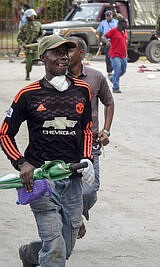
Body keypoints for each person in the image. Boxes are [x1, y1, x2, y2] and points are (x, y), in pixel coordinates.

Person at [0, 34, 94, 266]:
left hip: (72, 180)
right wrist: (22, 163)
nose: (63, 57)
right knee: (54, 248)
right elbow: (4, 133)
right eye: (57, 52)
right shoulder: (28, 94)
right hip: (41, 181)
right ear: (43, 57)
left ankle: (30, 255)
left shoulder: (82, 90)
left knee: (65, 247)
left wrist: (87, 159)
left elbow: (87, 129)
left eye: (66, 52)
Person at [67, 36, 115, 238]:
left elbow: (109, 102)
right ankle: (73, 220)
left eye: (70, 50)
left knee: (89, 190)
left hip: (90, 144)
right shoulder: (58, 78)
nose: (66, 54)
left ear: (82, 54)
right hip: (65, 143)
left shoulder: (96, 77)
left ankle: (76, 215)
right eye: (63, 50)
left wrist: (106, 130)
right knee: (66, 188)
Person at [103, 17, 128, 93]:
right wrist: (107, 42)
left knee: (123, 70)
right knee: (117, 69)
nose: (125, 25)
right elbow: (103, 37)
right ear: (120, 24)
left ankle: (112, 79)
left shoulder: (125, 32)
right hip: (114, 54)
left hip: (123, 55)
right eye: (124, 24)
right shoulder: (113, 31)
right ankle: (115, 87)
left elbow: (125, 42)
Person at [17, 8, 43, 81]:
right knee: (29, 63)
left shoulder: (38, 24)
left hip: (35, 47)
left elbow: (41, 34)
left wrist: (39, 40)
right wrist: (22, 44)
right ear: (27, 17)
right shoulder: (24, 26)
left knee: (36, 60)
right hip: (27, 47)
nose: (32, 17)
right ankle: (27, 74)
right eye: (31, 16)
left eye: (33, 16)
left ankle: (33, 63)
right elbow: (18, 38)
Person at [96, 10, 118, 76]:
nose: (108, 17)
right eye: (107, 16)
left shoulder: (116, 22)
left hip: (115, 42)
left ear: (112, 15)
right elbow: (100, 33)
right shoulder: (103, 23)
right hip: (106, 41)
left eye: (109, 16)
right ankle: (109, 71)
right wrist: (99, 41)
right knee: (108, 57)